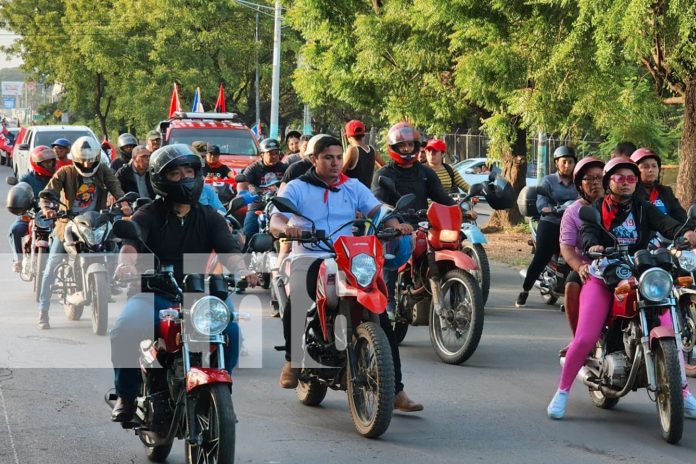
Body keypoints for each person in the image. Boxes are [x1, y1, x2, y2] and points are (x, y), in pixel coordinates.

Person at [269, 134, 423, 412]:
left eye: (339, 157)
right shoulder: (297, 187)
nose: (335, 163)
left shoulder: (352, 186)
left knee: (382, 319)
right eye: (328, 157)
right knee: (298, 299)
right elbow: (277, 217)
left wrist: (395, 223)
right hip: (310, 254)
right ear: (314, 159)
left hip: (349, 255)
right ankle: (293, 359)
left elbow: (377, 210)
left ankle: (396, 390)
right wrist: (286, 228)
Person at [109, 143, 258, 422]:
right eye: (176, 174)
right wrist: (125, 265)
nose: (186, 178)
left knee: (232, 333)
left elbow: (230, 251)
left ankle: (218, 392)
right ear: (161, 179)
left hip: (198, 295)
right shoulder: (148, 214)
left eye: (190, 171)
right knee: (125, 328)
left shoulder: (209, 217)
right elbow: (131, 245)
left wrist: (243, 270)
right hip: (153, 294)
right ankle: (126, 397)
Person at [547, 156, 696, 419]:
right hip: (605, 275)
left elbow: (666, 224)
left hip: (639, 273)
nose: (626, 183)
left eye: (630, 178)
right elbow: (588, 233)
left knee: (669, 323)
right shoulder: (595, 209)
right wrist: (593, 246)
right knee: (584, 337)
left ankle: (683, 392)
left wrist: (683, 234)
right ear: (609, 182)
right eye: (619, 178)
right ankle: (562, 391)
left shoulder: (644, 207)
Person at [37, 136, 131, 330]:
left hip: (96, 222)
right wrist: (47, 206)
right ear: (76, 159)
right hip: (68, 223)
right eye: (83, 161)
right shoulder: (65, 172)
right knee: (52, 265)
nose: (87, 164)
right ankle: (43, 311)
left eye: (91, 160)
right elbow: (49, 191)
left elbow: (115, 186)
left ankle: (111, 282)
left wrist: (123, 202)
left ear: (97, 157)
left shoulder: (103, 170)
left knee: (114, 247)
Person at [371, 122, 463, 320]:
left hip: (422, 223)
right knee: (394, 252)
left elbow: (441, 196)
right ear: (393, 148)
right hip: (394, 226)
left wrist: (458, 210)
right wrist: (393, 222)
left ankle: (455, 292)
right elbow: (378, 204)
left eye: (410, 145)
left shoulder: (425, 172)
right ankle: (389, 302)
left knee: (450, 244)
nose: (407, 149)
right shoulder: (384, 174)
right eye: (402, 146)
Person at [516, 145, 578, 308]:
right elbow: (541, 202)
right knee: (541, 258)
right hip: (551, 223)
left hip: (572, 226)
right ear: (556, 163)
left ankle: (568, 293)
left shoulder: (578, 182)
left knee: (577, 258)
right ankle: (525, 290)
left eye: (570, 162)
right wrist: (549, 209)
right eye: (564, 162)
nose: (567, 165)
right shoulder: (548, 181)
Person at [558, 156, 605, 353]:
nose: (595, 183)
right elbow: (567, 247)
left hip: (621, 263)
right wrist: (580, 267)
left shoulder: (620, 204)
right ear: (579, 184)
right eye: (588, 179)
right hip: (589, 265)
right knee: (571, 285)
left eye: (599, 178)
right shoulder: (573, 212)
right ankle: (579, 340)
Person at [8, 146, 57, 272]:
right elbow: (20, 192)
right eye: (46, 162)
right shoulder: (27, 179)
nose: (50, 164)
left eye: (51, 161)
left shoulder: (58, 176)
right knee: (15, 229)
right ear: (37, 164)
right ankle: (18, 259)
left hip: (55, 215)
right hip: (32, 214)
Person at [237, 138, 287, 239]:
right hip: (257, 206)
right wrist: (244, 194)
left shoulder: (285, 168)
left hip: (279, 208)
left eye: (276, 153)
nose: (274, 156)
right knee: (248, 233)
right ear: (262, 154)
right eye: (270, 153)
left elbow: (293, 184)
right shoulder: (253, 168)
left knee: (288, 235)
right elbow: (243, 183)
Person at [630, 147, 686, 223]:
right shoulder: (631, 193)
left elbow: (681, 217)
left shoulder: (665, 191)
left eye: (654, 166)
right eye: (645, 167)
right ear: (634, 171)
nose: (651, 170)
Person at [343, 120, 383, 188]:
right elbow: (384, 167)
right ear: (363, 134)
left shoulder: (352, 150)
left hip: (352, 195)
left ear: (348, 136)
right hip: (366, 194)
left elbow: (339, 174)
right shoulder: (372, 150)